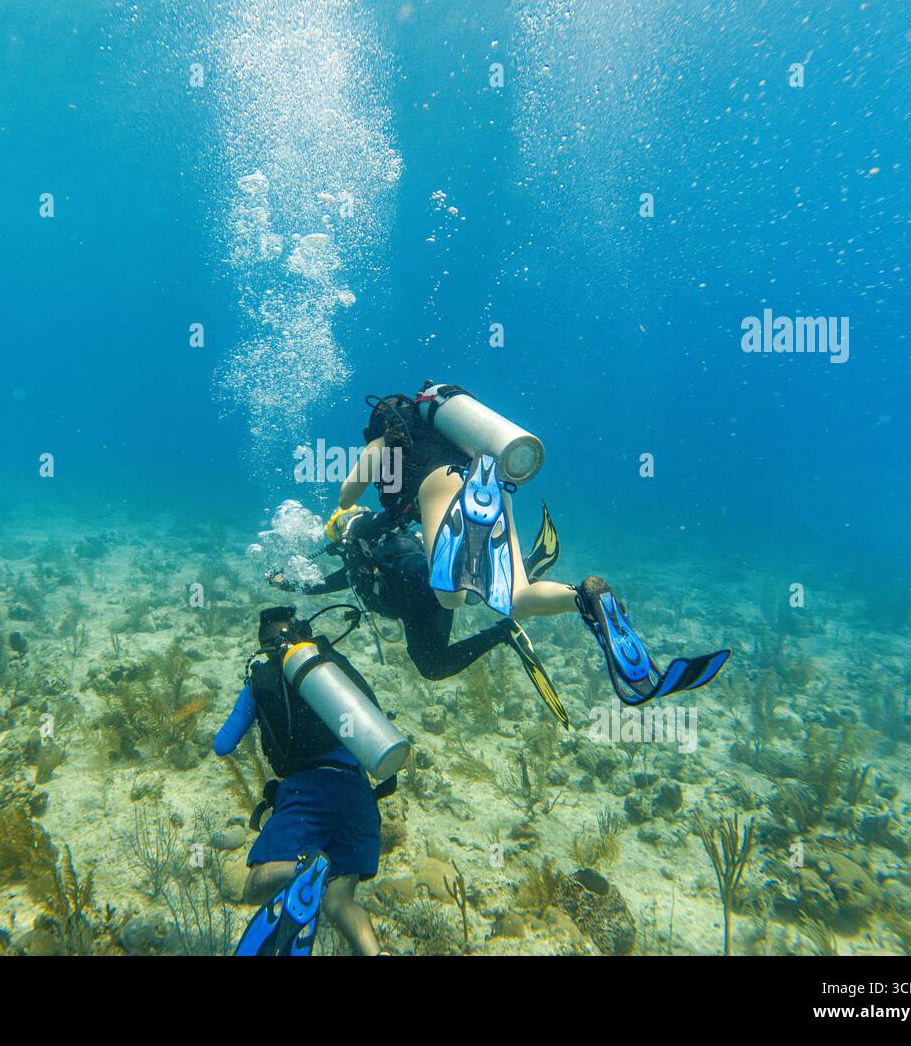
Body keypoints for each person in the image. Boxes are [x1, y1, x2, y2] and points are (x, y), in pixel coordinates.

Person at [336, 382, 730, 705]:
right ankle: (586, 598)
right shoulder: (452, 431)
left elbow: (347, 495)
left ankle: (467, 539)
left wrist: (348, 503)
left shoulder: (386, 440)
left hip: (439, 486)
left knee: (449, 597)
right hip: (489, 481)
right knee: (517, 597)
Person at [268, 503, 570, 724]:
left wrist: (374, 520)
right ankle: (506, 628)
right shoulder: (354, 568)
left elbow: (391, 517)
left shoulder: (367, 529)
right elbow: (321, 585)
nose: (337, 535)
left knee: (455, 586)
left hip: (415, 575)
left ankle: (497, 561)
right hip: (420, 610)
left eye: (338, 527)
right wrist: (288, 585)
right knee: (432, 666)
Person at [215, 605, 389, 956]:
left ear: (264, 644)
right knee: (340, 903)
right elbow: (371, 712)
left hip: (308, 792)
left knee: (256, 884)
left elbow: (223, 744)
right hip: (357, 792)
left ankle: (306, 867)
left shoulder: (261, 680)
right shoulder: (331, 669)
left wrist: (255, 702)